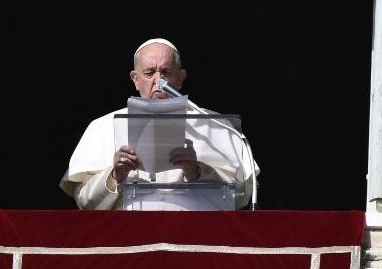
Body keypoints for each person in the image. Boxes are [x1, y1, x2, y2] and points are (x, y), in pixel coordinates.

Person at [59, 38, 259, 210]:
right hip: (130, 240)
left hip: (194, 237)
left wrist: (198, 173)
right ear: (135, 79)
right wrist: (115, 174)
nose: (158, 80)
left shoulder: (215, 124)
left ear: (180, 78)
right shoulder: (103, 126)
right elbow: (85, 202)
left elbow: (241, 197)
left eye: (165, 71)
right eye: (149, 73)